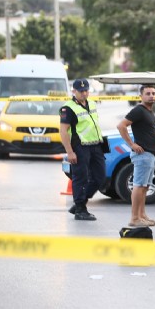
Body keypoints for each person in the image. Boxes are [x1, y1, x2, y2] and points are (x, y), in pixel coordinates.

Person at [59, 78, 106, 221]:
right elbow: (63, 131)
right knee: (80, 178)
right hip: (80, 147)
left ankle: (80, 202)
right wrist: (70, 152)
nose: (84, 93)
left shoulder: (91, 103)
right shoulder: (67, 108)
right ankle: (80, 209)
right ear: (74, 91)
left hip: (96, 145)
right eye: (81, 91)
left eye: (86, 90)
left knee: (100, 177)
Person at [116, 84, 155, 227]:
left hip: (150, 155)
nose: (151, 96)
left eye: (153, 93)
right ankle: (134, 218)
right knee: (138, 186)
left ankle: (142, 216)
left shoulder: (149, 111)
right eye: (148, 93)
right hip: (143, 155)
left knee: (145, 187)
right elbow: (121, 126)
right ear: (141, 96)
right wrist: (132, 145)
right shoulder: (138, 110)